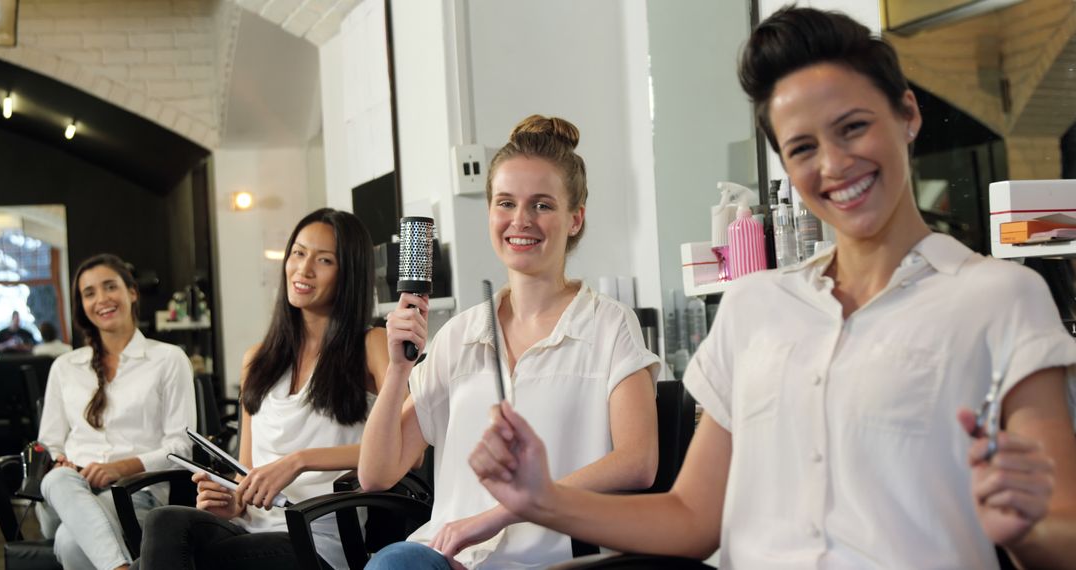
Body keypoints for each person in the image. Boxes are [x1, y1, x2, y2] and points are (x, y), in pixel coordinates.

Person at [469, 7, 1076, 569]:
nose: (833, 165)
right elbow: (692, 517)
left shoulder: (1000, 298)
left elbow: (1061, 534)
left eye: (853, 127)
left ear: (908, 115)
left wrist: (1022, 530)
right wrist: (539, 498)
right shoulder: (755, 307)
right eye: (803, 147)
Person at [359, 115, 660, 569]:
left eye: (541, 205)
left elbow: (639, 462)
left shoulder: (609, 326)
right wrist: (398, 370)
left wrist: (497, 517)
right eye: (506, 203)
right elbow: (376, 473)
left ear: (575, 218)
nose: (521, 220)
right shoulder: (458, 336)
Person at [134, 208, 388, 570]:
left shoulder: (372, 345)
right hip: (249, 529)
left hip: (313, 543)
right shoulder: (258, 359)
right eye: (298, 253)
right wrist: (234, 499)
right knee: (164, 522)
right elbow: (247, 470)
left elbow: (404, 452)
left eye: (324, 260)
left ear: (349, 272)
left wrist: (299, 462)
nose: (303, 269)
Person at [36, 253, 196, 570]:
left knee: (71, 541)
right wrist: (59, 460)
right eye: (89, 293)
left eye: (110, 287)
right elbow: (48, 443)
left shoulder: (168, 359)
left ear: (132, 292)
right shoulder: (65, 367)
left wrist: (120, 468)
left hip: (134, 494)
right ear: (81, 305)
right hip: (66, 495)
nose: (102, 299)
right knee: (57, 480)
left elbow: (181, 448)